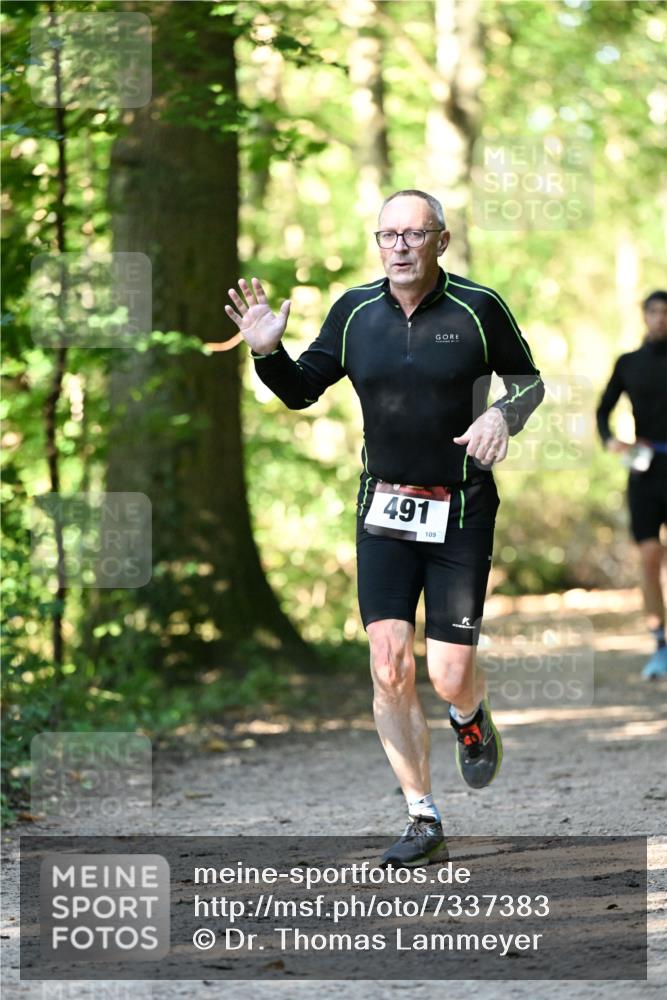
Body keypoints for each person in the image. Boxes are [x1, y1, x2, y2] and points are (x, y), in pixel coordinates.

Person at [225, 190, 545, 866]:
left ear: (441, 241)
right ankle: (422, 815)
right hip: (385, 512)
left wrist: (500, 418)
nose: (399, 246)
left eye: (414, 234)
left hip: (460, 509)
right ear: (378, 244)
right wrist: (264, 353)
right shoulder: (353, 313)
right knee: (388, 665)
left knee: (448, 672)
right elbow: (300, 388)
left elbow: (527, 384)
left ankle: (466, 715)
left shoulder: (477, 308)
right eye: (388, 235)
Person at [596, 290, 667, 680]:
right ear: (644, 316)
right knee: (649, 556)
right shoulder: (629, 363)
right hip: (644, 471)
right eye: (654, 312)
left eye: (666, 313)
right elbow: (603, 411)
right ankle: (660, 645)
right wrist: (611, 441)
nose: (660, 319)